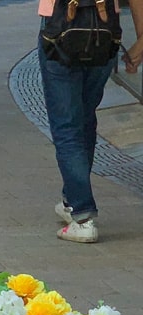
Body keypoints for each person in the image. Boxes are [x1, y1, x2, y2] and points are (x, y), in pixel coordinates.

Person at [39, 0, 143, 243]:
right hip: (104, 30)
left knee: (67, 127)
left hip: (59, 27)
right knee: (84, 118)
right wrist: (141, 41)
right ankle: (72, 200)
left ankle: (82, 216)